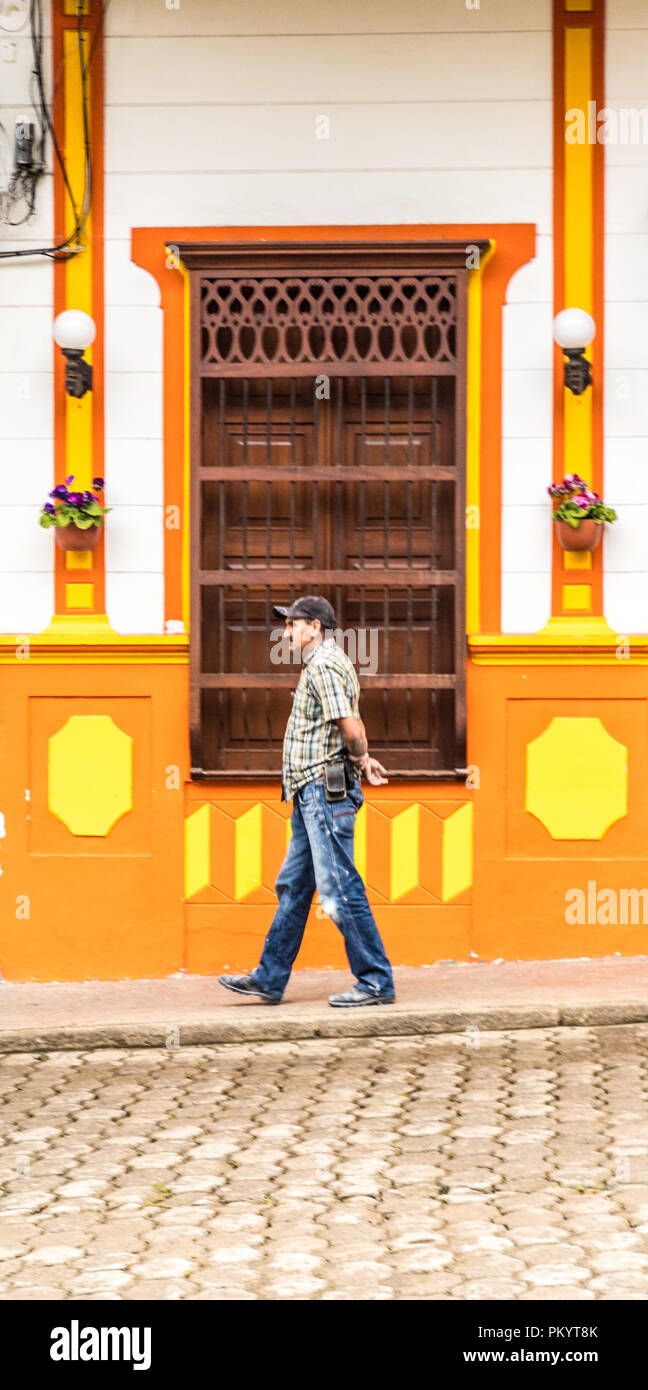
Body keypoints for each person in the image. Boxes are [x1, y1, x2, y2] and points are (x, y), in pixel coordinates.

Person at [218, 595, 395, 1007]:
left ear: (315, 625)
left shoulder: (326, 665)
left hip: (323, 791)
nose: (288, 631)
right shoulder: (321, 664)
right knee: (295, 887)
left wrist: (360, 758)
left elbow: (351, 727)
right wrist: (363, 762)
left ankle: (375, 981)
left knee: (339, 889)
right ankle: (270, 977)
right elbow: (348, 722)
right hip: (309, 792)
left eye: (294, 623)